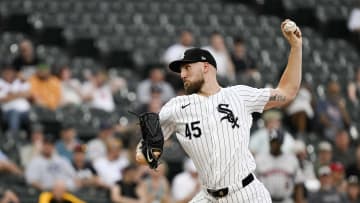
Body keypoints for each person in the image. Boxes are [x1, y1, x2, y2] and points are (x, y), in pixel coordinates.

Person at [136, 19, 303, 202]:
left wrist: (296, 47)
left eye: (187, 67)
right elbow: (144, 152)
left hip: (246, 193)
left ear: (206, 67)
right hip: (208, 196)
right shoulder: (175, 107)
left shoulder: (239, 95)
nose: (182, 74)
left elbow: (287, 92)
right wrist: (146, 152)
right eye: (181, 70)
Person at [255, 129, 304, 203]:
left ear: (282, 143)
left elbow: (298, 183)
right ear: (269, 141)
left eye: (277, 142)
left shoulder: (292, 159)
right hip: (264, 200)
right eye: (272, 141)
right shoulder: (259, 158)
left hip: (285, 200)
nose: (274, 144)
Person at [0, 63, 31, 136]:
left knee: (34, 116)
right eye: (6, 72)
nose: (8, 74)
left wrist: (12, 95)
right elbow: (2, 99)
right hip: (8, 112)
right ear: (2, 73)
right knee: (14, 113)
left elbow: (28, 94)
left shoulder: (19, 81)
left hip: (25, 111)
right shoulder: (1, 82)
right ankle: (14, 139)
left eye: (10, 72)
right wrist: (18, 94)